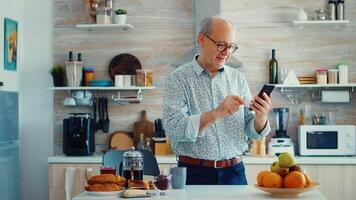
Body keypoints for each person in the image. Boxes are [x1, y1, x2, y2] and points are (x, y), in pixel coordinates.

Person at [162, 15, 272, 185]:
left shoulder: (238, 78)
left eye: (231, 47)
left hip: (235, 173)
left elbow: (251, 131)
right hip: (194, 174)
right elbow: (174, 128)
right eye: (221, 45)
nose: (227, 52)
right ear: (202, 39)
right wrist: (217, 113)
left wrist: (261, 117)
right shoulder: (178, 79)